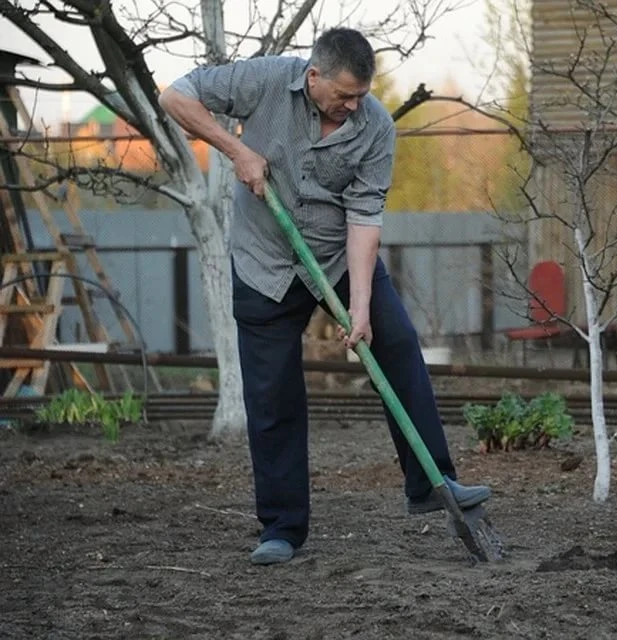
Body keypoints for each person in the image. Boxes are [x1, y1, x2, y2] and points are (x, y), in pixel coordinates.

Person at [159, 27, 491, 565]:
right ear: (313, 76)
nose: (353, 105)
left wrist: (360, 309)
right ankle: (282, 528)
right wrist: (238, 151)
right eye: (343, 95)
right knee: (273, 395)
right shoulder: (265, 80)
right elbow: (174, 95)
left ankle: (432, 482)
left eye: (361, 95)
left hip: (336, 258)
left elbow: (364, 219)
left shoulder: (376, 126)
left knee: (399, 345)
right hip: (264, 262)